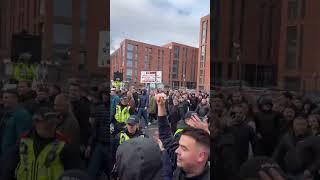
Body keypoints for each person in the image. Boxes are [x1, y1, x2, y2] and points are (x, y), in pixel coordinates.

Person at [0, 107, 82, 180]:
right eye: (47, 124)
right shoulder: (23, 142)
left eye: (54, 124)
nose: (51, 127)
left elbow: (76, 173)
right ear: (36, 123)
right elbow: (9, 169)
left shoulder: (64, 145)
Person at [156, 93, 210, 180]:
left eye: (184, 148)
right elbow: (166, 137)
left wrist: (208, 133)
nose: (177, 151)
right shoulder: (182, 164)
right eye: (179, 146)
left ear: (201, 156)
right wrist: (161, 106)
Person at [86, 89, 112, 179]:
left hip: (110, 145)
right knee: (91, 171)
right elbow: (95, 129)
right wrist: (89, 145)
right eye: (103, 94)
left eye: (106, 94)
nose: (104, 96)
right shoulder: (99, 109)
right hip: (100, 144)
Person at [0, 89, 32, 156]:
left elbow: (22, 139)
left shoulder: (22, 115)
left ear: (15, 99)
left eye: (6, 97)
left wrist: (11, 154)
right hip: (4, 152)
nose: (3, 100)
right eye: (3, 97)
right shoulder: (7, 113)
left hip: (11, 155)